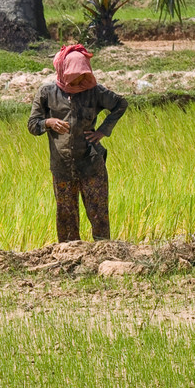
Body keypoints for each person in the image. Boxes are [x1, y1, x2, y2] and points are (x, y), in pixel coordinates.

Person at [28, 43, 128, 243]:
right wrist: (48, 122)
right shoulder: (47, 93)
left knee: (98, 211)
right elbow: (32, 125)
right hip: (62, 165)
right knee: (66, 214)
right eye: (75, 76)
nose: (80, 80)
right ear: (64, 71)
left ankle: (102, 251)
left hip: (91, 163)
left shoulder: (94, 91)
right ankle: (69, 253)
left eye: (83, 75)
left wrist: (102, 131)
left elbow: (120, 104)